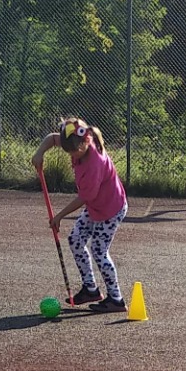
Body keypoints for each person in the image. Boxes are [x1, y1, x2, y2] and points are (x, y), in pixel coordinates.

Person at [31, 117, 128, 310]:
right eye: (68, 151)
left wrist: (59, 216)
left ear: (86, 141)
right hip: (95, 207)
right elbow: (52, 138)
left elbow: (84, 197)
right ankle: (90, 289)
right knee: (75, 240)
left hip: (110, 209)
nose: (72, 155)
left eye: (74, 152)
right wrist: (39, 153)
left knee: (99, 251)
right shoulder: (73, 140)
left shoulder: (95, 163)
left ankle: (116, 299)